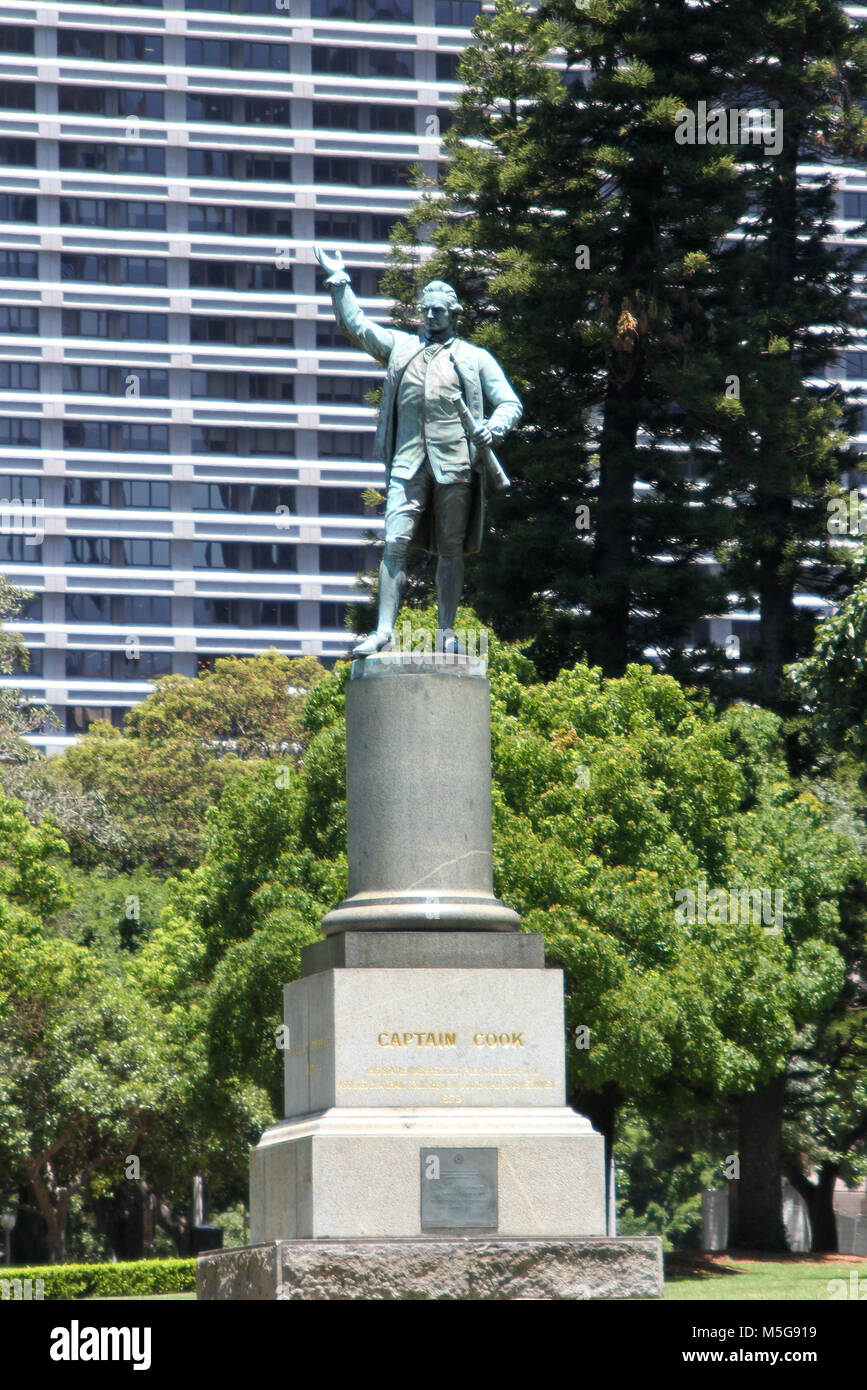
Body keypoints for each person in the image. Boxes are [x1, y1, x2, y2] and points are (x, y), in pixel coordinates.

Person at [314, 246, 523, 656]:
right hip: (408, 463)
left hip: (456, 466)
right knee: (394, 540)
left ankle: (446, 631)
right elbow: (358, 327)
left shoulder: (474, 357)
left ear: (454, 312)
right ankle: (383, 632)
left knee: (451, 549)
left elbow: (510, 403)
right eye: (425, 309)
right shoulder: (400, 348)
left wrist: (493, 429)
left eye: (438, 310)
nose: (430, 316)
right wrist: (340, 281)